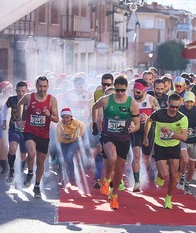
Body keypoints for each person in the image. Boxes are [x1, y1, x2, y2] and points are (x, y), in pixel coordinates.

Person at [91, 75, 140, 210]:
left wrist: (132, 128)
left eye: (122, 91)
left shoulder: (132, 104)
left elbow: (137, 125)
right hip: (108, 136)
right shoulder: (106, 100)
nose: (119, 93)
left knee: (119, 170)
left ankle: (115, 195)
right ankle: (106, 180)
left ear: (126, 90)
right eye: (117, 90)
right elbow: (94, 107)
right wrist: (94, 123)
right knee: (111, 158)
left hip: (123, 139)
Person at [143, 93, 188, 209]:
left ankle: (168, 198)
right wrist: (146, 137)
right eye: (172, 106)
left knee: (174, 175)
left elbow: (184, 137)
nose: (174, 109)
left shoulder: (182, 118)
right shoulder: (159, 114)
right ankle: (160, 176)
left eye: (177, 107)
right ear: (168, 104)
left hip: (174, 147)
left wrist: (170, 133)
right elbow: (148, 121)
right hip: (160, 146)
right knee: (164, 174)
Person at [17, 76, 59, 198]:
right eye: (40, 86)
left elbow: (56, 119)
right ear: (36, 86)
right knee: (31, 153)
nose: (42, 89)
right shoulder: (29, 97)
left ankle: (36, 185)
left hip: (44, 134)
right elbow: (19, 103)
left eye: (45, 86)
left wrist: (49, 115)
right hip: (30, 131)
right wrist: (20, 119)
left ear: (48, 86)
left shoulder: (52, 100)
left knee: (41, 162)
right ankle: (30, 172)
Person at [130, 79, 159, 192]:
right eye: (134, 92)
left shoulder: (151, 100)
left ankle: (148, 171)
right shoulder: (131, 101)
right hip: (136, 130)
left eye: (138, 92)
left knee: (146, 157)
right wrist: (132, 120)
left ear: (144, 91)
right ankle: (137, 182)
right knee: (136, 156)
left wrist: (148, 118)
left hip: (149, 130)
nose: (136, 95)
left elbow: (159, 114)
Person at [3, 81, 29, 183]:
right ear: (16, 91)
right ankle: (11, 170)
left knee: (23, 154)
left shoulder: (31, 100)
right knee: (13, 147)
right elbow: (5, 108)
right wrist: (4, 120)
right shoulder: (12, 99)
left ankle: (21, 171)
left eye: (23, 91)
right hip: (14, 127)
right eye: (18, 91)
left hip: (26, 130)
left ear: (27, 91)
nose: (21, 94)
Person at [178, 92, 196, 194]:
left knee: (192, 166)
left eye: (191, 102)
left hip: (193, 140)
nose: (189, 104)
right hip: (182, 139)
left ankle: (187, 184)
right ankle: (182, 176)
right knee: (185, 159)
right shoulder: (180, 110)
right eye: (187, 102)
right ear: (183, 101)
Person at [56, 108, 85, 186]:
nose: (66, 119)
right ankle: (65, 179)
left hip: (73, 142)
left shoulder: (76, 122)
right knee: (65, 160)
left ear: (71, 117)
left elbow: (82, 126)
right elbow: (58, 139)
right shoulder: (59, 125)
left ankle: (72, 177)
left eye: (68, 117)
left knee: (69, 157)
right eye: (64, 117)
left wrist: (80, 135)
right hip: (63, 143)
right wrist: (62, 134)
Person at [0, 81, 13, 174]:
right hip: (1, 126)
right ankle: (4, 165)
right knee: (3, 146)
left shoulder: (12, 99)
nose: (11, 90)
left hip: (12, 125)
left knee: (12, 145)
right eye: (9, 89)